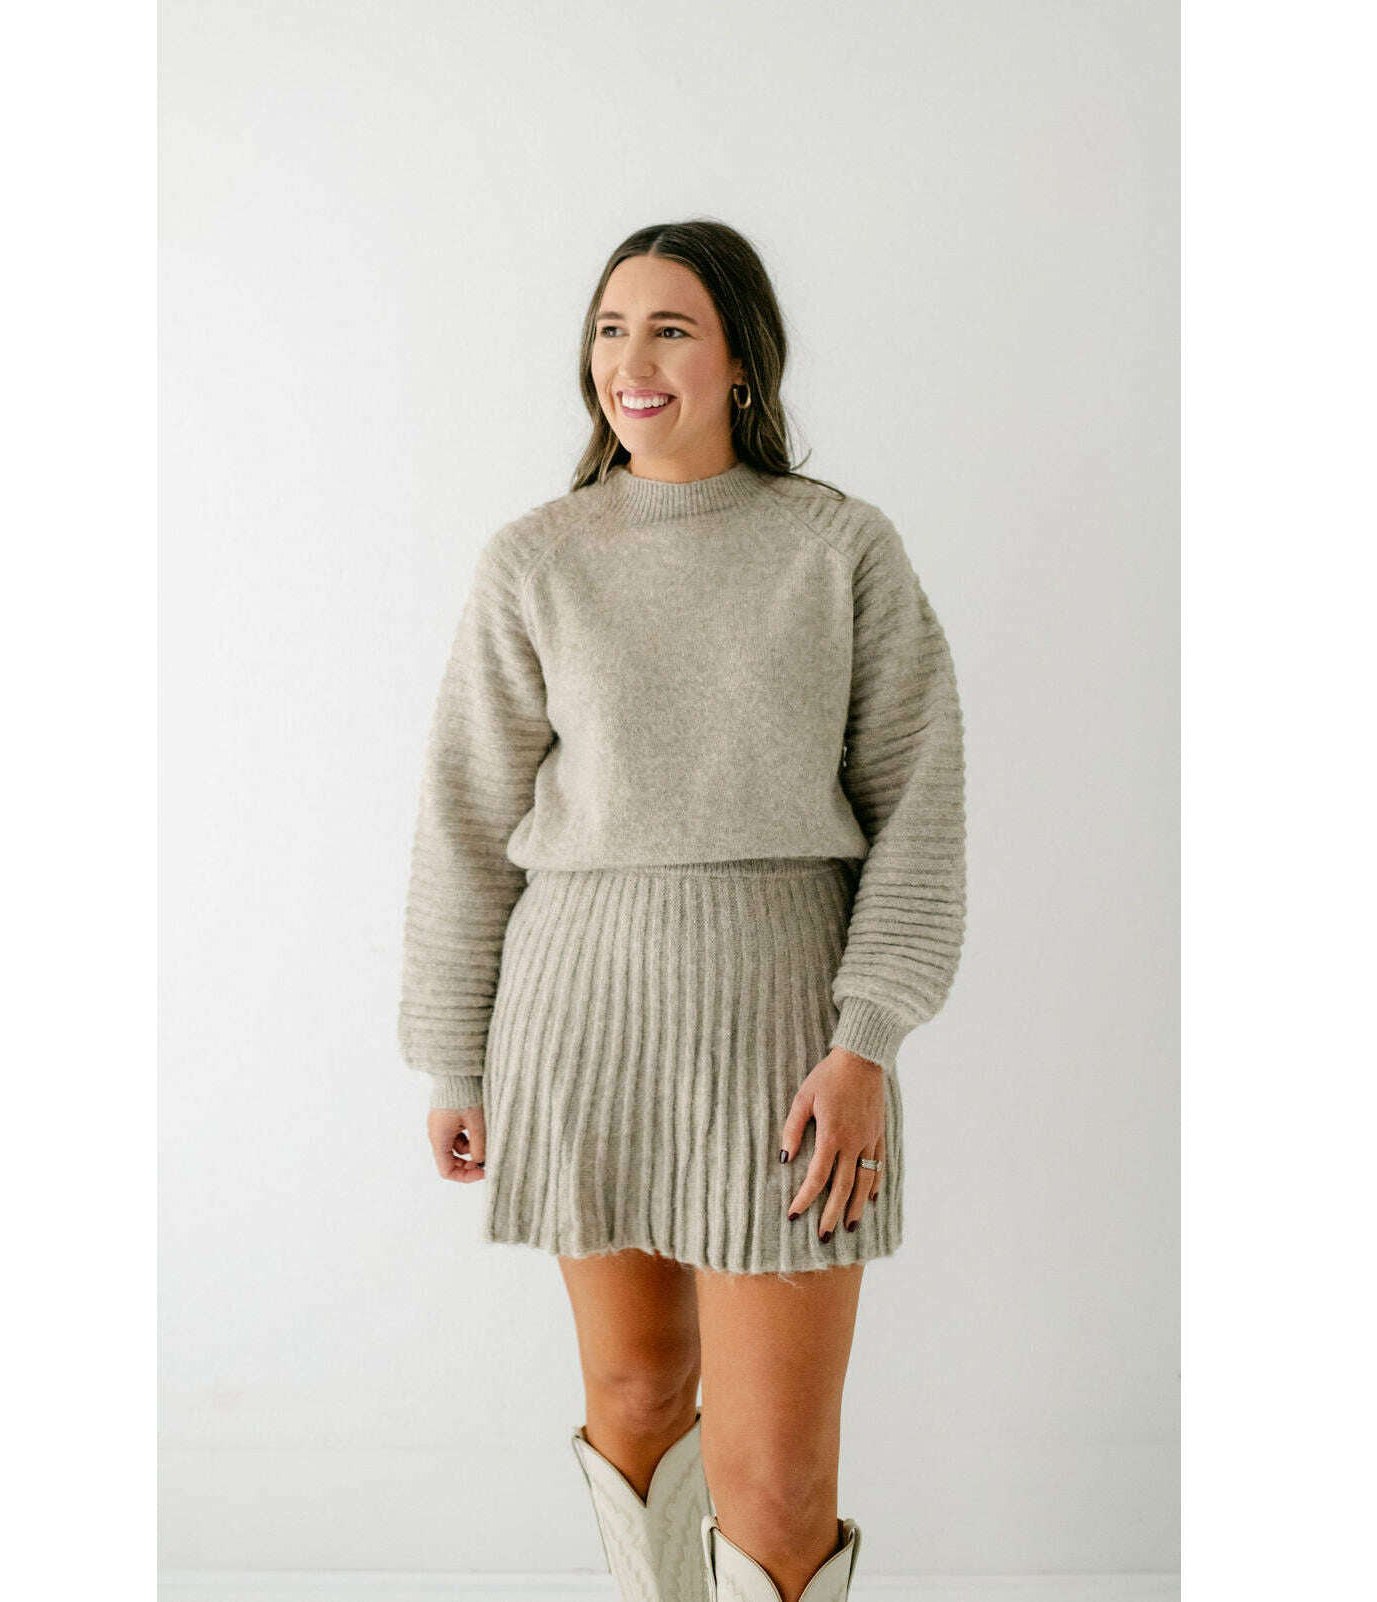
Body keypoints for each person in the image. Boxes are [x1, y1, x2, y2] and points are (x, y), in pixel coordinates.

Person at [398, 219, 966, 1602]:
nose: (631, 361)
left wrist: (867, 1041)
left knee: (777, 1484)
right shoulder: (536, 558)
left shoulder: (837, 547)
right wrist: (454, 1056)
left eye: (670, 329)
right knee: (637, 1395)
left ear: (741, 359)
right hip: (580, 1018)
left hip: (784, 1035)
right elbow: (466, 814)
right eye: (610, 328)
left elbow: (920, 804)